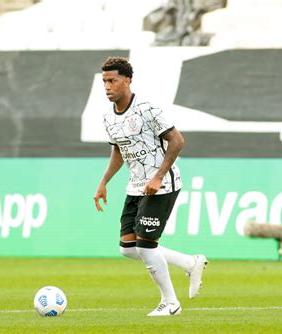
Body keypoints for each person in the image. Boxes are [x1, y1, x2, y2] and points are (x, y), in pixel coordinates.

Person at [93, 56, 208, 316]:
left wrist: (158, 176)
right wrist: (103, 182)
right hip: (135, 187)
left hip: (162, 185)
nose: (107, 86)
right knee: (128, 248)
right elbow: (119, 152)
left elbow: (177, 140)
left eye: (112, 81)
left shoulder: (146, 109)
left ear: (127, 80)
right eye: (104, 82)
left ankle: (170, 303)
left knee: (146, 245)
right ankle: (190, 263)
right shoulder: (108, 117)